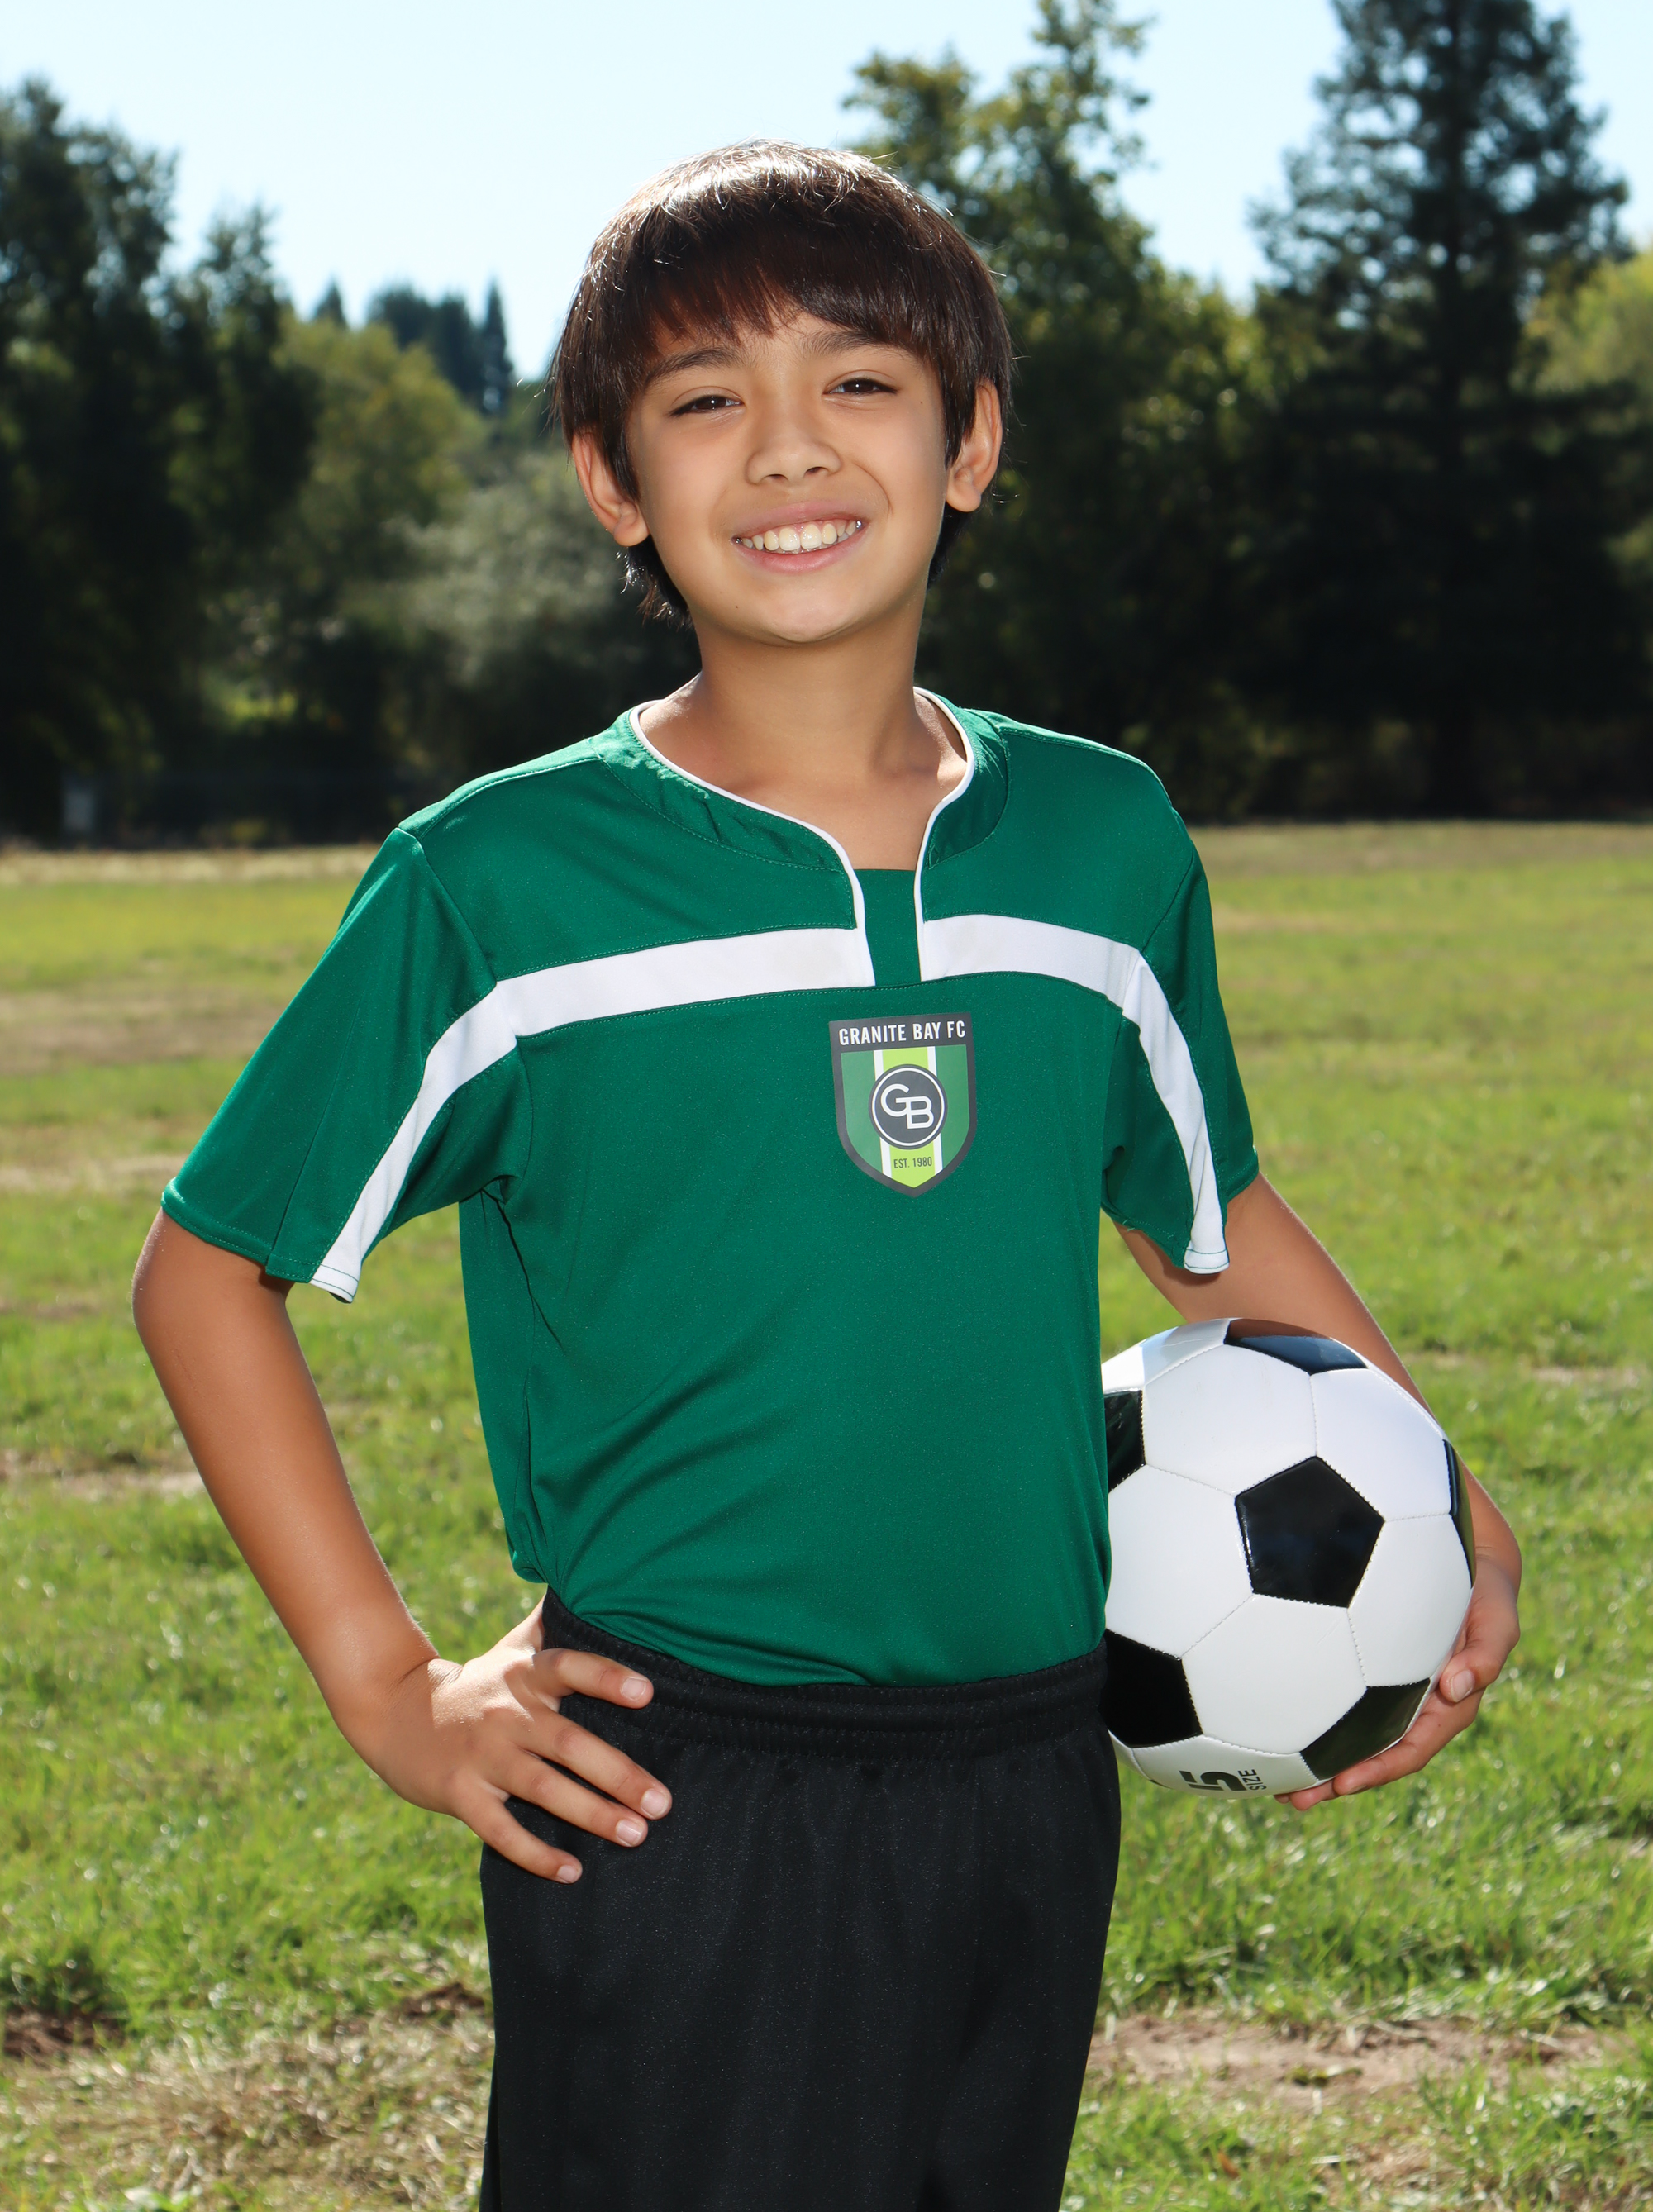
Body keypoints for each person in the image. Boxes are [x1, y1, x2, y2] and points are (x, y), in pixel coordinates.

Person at [133, 142, 1521, 2211]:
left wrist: (1433, 1481)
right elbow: (204, 1267)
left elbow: (1206, 1217)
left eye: (858, 381)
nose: (787, 446)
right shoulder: (501, 882)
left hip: (1035, 1756)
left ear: (971, 441)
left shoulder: (1101, 845)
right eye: (706, 399)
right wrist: (392, 1683)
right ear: (614, 481)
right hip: (682, 1774)